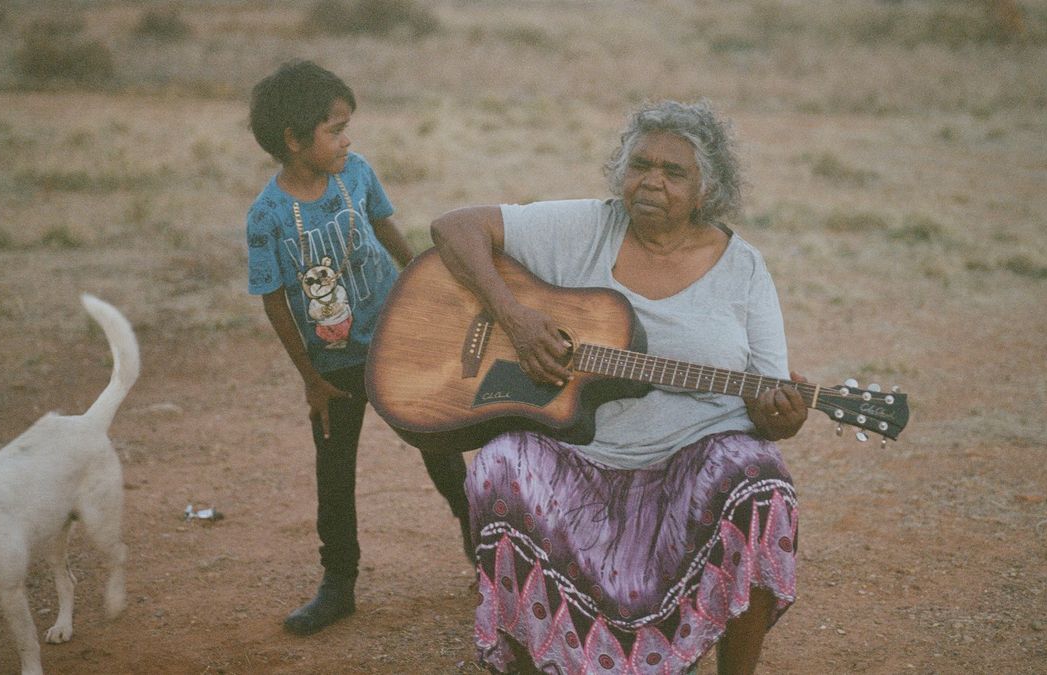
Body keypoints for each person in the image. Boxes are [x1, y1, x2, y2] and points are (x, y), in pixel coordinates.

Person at [429, 100, 807, 673]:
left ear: (707, 188)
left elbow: (774, 413)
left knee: (763, 479)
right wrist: (513, 317)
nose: (651, 181)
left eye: (674, 171)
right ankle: (536, 659)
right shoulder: (586, 225)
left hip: (689, 467)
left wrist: (786, 414)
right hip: (575, 454)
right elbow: (454, 228)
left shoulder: (745, 270)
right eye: (640, 164)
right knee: (498, 464)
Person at [245, 60, 471, 637]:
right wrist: (310, 379)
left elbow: (386, 227)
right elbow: (273, 300)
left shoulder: (359, 173)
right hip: (333, 365)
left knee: (439, 446)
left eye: (347, 126)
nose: (347, 139)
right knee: (335, 470)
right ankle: (338, 585)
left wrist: (425, 284)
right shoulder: (267, 217)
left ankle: (487, 553)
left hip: (395, 339)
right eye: (334, 129)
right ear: (295, 140)